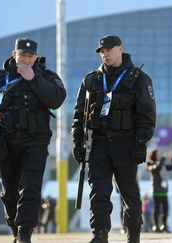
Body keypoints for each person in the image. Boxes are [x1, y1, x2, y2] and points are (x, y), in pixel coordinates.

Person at [0, 38, 66, 243]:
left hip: (36, 142)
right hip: (5, 143)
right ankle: (16, 230)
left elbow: (56, 99)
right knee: (11, 193)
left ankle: (25, 233)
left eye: (31, 56)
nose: (27, 59)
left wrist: (34, 79)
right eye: (23, 55)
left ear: (36, 58)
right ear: (15, 55)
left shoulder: (47, 77)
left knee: (30, 188)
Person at [71, 35, 156, 243]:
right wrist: (77, 141)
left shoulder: (139, 78)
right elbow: (79, 114)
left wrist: (140, 142)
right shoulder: (91, 79)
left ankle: (133, 234)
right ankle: (100, 234)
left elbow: (147, 115)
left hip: (126, 143)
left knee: (129, 193)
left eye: (109, 49)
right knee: (99, 190)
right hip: (98, 143)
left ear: (120, 48)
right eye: (101, 51)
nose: (105, 54)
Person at [147, 149, 172, 233]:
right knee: (156, 208)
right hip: (156, 190)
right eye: (158, 154)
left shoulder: (162, 164)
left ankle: (164, 225)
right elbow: (157, 167)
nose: (159, 155)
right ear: (154, 155)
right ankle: (156, 226)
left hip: (164, 190)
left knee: (165, 209)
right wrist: (163, 158)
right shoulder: (150, 164)